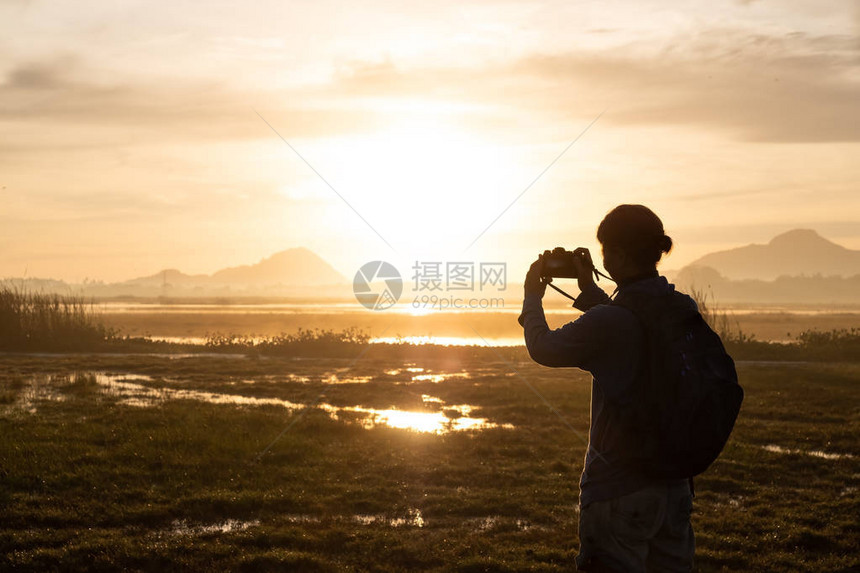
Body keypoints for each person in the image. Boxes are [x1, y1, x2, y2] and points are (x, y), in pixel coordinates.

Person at [518, 204, 696, 572]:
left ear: (615, 254)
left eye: (604, 251)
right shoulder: (681, 307)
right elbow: (632, 324)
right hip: (675, 484)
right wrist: (589, 289)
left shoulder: (611, 321)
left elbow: (543, 347)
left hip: (619, 488)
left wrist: (532, 297)